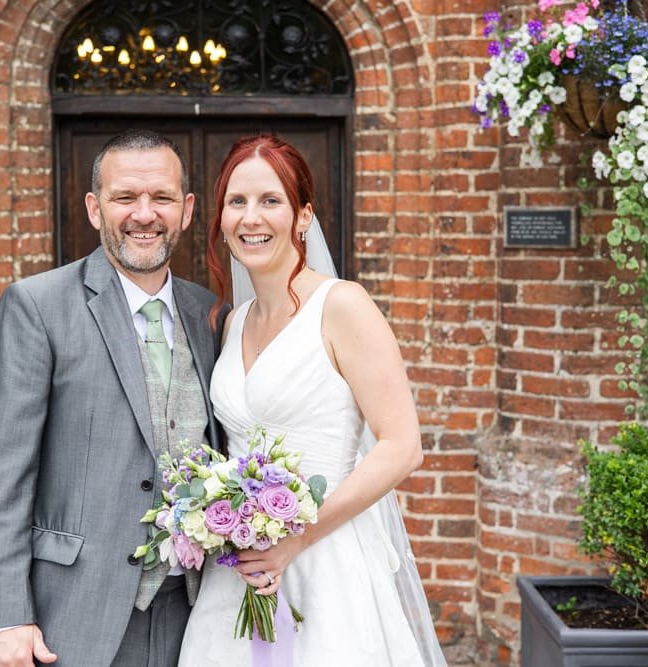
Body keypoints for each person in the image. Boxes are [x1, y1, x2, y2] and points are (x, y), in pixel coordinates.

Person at [178, 135, 447, 665]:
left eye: (270, 200)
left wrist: (296, 540)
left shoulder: (342, 305)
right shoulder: (233, 322)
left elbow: (402, 446)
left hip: (329, 561)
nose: (251, 218)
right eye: (237, 202)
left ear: (303, 216)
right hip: (241, 569)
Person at [0, 129, 226, 667]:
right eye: (125, 197)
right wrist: (4, 616)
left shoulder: (210, 315)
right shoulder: (37, 306)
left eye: (162, 198)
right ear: (94, 207)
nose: (144, 214)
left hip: (200, 613)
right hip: (76, 615)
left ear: (187, 209)